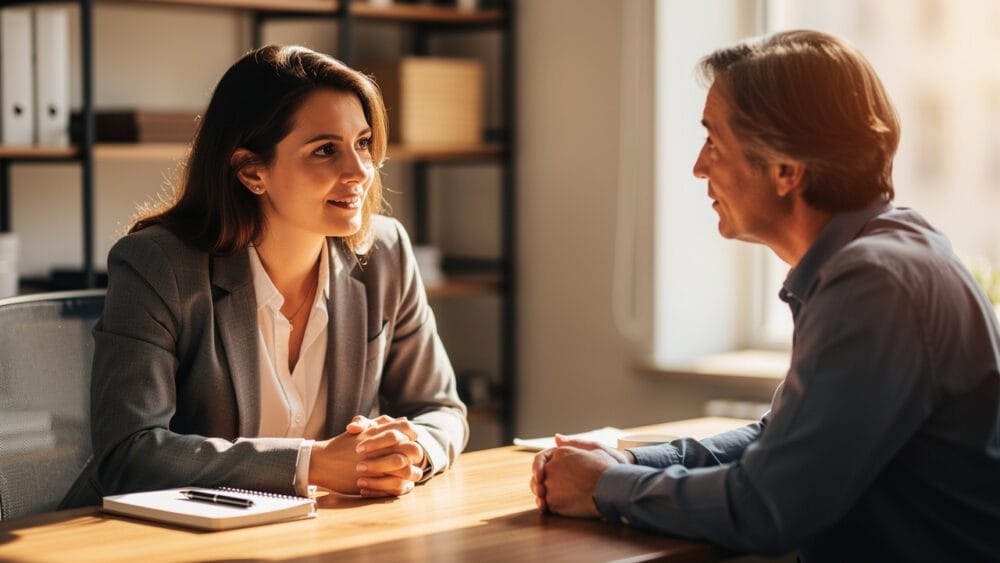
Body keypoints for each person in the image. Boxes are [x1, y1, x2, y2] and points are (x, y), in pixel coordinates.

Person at [530, 29, 1000, 561]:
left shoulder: (875, 284)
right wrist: (627, 461)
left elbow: (766, 506)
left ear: (785, 170)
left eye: (713, 141)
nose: (698, 166)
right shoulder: (883, 252)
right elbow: (778, 440)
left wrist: (605, 488)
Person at [61, 44, 467, 507]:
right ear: (252, 171)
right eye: (325, 150)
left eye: (362, 143)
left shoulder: (386, 253)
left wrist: (412, 451)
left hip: (303, 536)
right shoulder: (157, 265)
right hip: (149, 541)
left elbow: (440, 408)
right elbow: (129, 453)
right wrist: (310, 464)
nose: (359, 171)